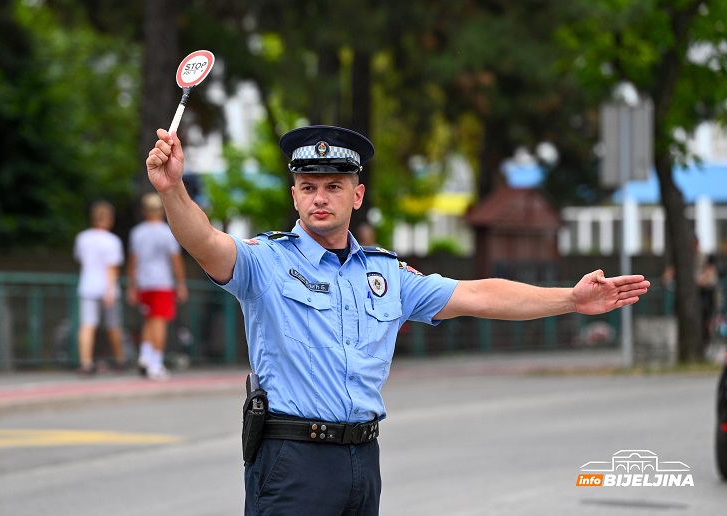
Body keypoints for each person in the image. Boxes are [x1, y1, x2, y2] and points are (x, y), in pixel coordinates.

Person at [145, 124, 650, 515]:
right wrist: (172, 191)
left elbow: (477, 293)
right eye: (308, 186)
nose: (320, 197)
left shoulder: (385, 275)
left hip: (363, 458)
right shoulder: (265, 262)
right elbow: (203, 241)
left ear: (357, 195)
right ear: (294, 195)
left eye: (334, 186)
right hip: (292, 459)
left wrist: (570, 299)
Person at [127, 192, 189, 381]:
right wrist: (180, 283)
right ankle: (156, 363)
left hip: (144, 283)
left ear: (145, 211)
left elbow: (133, 261)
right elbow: (175, 260)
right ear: (161, 210)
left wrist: (131, 285)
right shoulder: (167, 231)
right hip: (162, 282)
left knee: (149, 319)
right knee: (159, 321)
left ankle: (145, 356)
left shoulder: (137, 232)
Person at [73, 200, 126, 375]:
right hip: (107, 289)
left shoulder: (82, 238)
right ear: (109, 219)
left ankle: (86, 362)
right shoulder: (112, 241)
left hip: (88, 286)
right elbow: (112, 268)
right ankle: (119, 360)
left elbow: (80, 259)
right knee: (113, 326)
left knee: (87, 325)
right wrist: (110, 290)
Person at [663, 235, 720, 356]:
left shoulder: (706, 255)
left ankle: (704, 344)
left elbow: (709, 275)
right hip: (691, 293)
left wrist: (696, 281)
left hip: (705, 294)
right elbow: (670, 272)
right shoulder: (685, 257)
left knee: (705, 317)